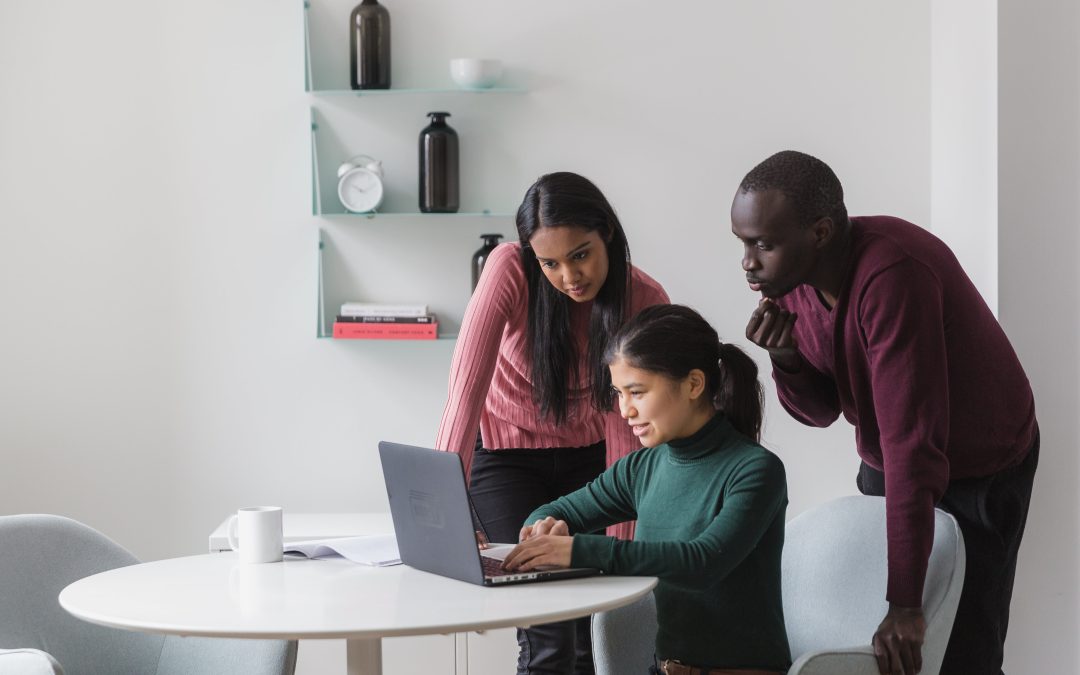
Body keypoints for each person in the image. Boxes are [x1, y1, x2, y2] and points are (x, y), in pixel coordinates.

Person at [730, 150, 1038, 675]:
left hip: (979, 461)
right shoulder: (793, 282)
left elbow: (913, 446)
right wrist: (787, 360)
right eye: (743, 242)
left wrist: (906, 605)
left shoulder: (893, 276)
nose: (748, 261)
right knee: (887, 647)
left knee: (963, 647)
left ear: (821, 232)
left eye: (764, 243)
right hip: (893, 456)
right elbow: (823, 411)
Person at [436, 171, 669, 675]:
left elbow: (628, 428)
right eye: (551, 263)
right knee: (546, 631)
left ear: (606, 232)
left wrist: (617, 554)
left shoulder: (643, 299)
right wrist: (451, 511)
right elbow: (465, 393)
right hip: (505, 459)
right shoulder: (507, 270)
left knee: (592, 627)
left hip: (593, 464)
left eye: (581, 254)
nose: (569, 276)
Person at [504, 304, 792, 675]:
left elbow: (702, 563)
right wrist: (541, 528)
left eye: (636, 392)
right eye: (618, 393)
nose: (625, 410)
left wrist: (578, 550)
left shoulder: (756, 470)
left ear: (693, 384)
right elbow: (559, 511)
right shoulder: (643, 467)